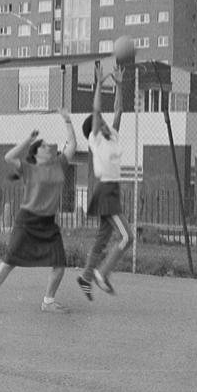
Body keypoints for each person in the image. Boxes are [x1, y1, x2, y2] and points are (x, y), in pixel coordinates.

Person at [0, 109, 76, 314]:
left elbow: (72, 144)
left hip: (48, 224)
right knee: (9, 261)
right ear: (36, 153)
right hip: (27, 222)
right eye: (44, 146)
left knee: (60, 263)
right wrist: (29, 139)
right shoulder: (29, 168)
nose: (48, 147)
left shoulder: (60, 165)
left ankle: (48, 301)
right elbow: (8, 157)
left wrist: (67, 120)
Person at [76, 62, 134, 300]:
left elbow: (118, 110)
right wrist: (99, 84)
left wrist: (119, 86)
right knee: (128, 237)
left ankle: (86, 277)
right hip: (106, 191)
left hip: (111, 190)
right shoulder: (96, 139)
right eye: (101, 123)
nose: (107, 123)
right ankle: (103, 273)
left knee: (102, 239)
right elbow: (97, 110)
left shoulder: (112, 136)